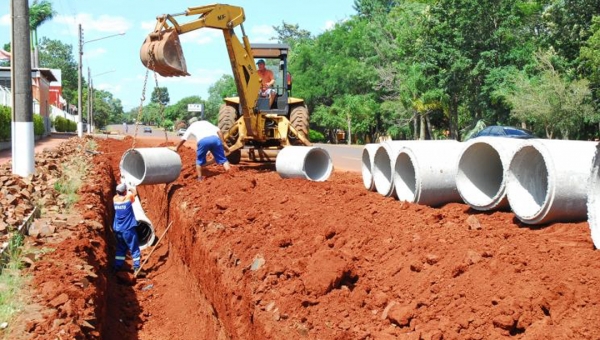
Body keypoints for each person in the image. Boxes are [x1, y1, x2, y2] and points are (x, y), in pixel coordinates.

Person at [112, 182, 143, 275]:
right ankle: (137, 268)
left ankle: (117, 267)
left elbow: (121, 194)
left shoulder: (115, 199)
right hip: (128, 229)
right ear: (125, 191)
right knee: (134, 248)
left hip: (118, 229)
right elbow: (135, 193)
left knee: (121, 249)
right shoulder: (128, 199)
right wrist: (131, 187)